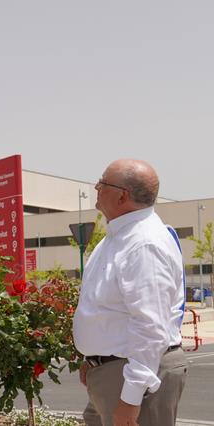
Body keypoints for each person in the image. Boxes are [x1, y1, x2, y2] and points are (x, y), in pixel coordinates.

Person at [73, 159, 187, 426]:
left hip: (133, 376)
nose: (96, 187)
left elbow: (150, 327)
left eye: (102, 183)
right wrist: (94, 359)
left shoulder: (144, 244)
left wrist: (131, 398)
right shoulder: (118, 237)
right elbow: (107, 308)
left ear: (122, 195)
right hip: (115, 370)